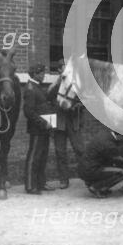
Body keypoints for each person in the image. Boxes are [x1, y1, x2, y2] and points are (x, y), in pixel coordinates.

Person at [23, 62, 57, 195]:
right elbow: (29, 112)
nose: (43, 75)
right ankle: (30, 186)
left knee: (42, 157)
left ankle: (41, 183)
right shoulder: (31, 88)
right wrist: (44, 123)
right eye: (41, 73)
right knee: (34, 157)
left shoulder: (37, 87)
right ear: (35, 74)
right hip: (37, 129)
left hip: (44, 129)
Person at [51, 59, 85, 189]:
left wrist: (75, 106)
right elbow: (48, 98)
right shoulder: (56, 83)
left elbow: (85, 102)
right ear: (59, 70)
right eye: (62, 69)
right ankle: (63, 179)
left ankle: (85, 174)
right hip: (59, 122)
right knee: (60, 152)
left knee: (80, 149)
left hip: (73, 121)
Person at [77, 129, 123, 198]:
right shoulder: (108, 145)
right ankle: (96, 187)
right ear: (119, 136)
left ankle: (93, 183)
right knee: (122, 172)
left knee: (112, 167)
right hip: (90, 170)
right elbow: (118, 161)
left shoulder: (106, 134)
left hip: (86, 167)